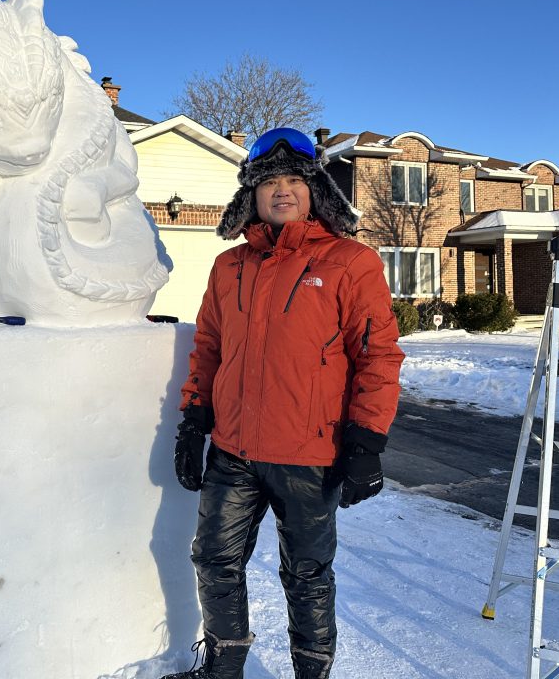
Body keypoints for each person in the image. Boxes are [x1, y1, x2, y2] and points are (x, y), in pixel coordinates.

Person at [162, 127, 405, 679]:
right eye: (270, 181)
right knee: (214, 561)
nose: (282, 190)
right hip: (233, 451)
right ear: (251, 193)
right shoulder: (229, 267)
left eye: (295, 179)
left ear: (314, 189)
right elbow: (209, 348)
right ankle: (222, 671)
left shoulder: (351, 261)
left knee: (307, 574)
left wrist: (367, 441)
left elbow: (378, 354)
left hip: (309, 455)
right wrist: (193, 421)